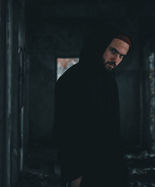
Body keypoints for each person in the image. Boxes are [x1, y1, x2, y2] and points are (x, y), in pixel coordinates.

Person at [54, 27, 132, 187]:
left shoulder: (108, 80)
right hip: (84, 172)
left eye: (121, 56)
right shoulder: (71, 80)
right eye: (113, 51)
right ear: (99, 46)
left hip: (110, 168)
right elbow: (65, 131)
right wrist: (73, 173)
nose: (116, 60)